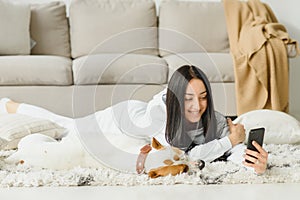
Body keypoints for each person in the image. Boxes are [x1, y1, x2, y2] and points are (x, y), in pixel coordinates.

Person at [0, 65, 268, 174]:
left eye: (203, 97)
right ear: (175, 98)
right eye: (188, 99)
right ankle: (8, 106)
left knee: (63, 123)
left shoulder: (209, 114)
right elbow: (185, 156)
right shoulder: (159, 120)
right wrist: (228, 142)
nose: (197, 106)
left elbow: (229, 141)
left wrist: (251, 159)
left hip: (133, 118)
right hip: (114, 121)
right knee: (65, 125)